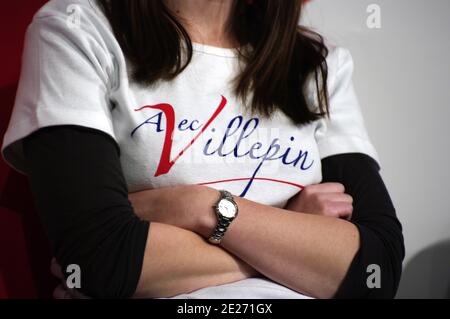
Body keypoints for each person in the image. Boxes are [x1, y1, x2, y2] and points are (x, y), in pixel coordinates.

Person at [1, 0, 404, 299]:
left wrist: (199, 207)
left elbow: (376, 269)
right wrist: (294, 239)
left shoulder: (317, 63)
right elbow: (98, 260)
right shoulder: (77, 29)